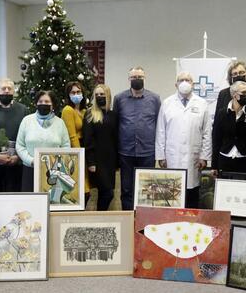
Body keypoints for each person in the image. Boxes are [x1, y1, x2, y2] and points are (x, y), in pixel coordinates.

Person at [155, 72, 212, 208]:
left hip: (194, 158)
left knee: (192, 194)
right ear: (176, 84)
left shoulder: (202, 104)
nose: (184, 82)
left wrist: (204, 157)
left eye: (188, 80)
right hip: (172, 157)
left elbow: (206, 133)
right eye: (181, 80)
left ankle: (191, 223)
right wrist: (161, 156)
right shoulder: (167, 103)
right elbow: (160, 131)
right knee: (172, 194)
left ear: (193, 84)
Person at [113, 66, 162, 210]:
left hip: (147, 152)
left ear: (144, 78)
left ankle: (143, 221)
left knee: (147, 189)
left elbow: (159, 125)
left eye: (139, 77)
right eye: (134, 77)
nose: (137, 80)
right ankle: (128, 219)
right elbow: (116, 124)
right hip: (126, 152)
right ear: (129, 79)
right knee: (126, 190)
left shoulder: (154, 99)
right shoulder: (119, 99)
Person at [16, 90, 70, 192]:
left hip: (54, 172)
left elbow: (66, 145)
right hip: (30, 169)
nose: (43, 104)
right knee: (30, 203)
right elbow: (20, 145)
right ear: (36, 103)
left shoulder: (60, 123)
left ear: (52, 105)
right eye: (40, 102)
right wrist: (31, 161)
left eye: (47, 102)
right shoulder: (27, 120)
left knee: (51, 202)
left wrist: (57, 163)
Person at [211, 80, 246, 174]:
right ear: (234, 94)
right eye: (244, 93)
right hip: (225, 159)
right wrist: (214, 165)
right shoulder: (222, 114)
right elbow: (216, 140)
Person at [83, 84, 118, 211]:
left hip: (110, 160)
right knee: (108, 193)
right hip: (97, 161)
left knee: (107, 193)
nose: (99, 97)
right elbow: (88, 139)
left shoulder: (113, 114)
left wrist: (117, 162)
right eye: (97, 95)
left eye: (102, 94)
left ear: (107, 95)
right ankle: (100, 214)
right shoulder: (90, 114)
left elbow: (115, 137)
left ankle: (101, 217)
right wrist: (91, 162)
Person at [61, 81, 91, 205]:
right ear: (68, 95)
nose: (76, 94)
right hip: (76, 151)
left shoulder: (85, 111)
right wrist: (80, 154)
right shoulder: (68, 110)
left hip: (86, 148)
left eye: (78, 92)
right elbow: (72, 136)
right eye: (73, 92)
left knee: (87, 189)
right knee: (81, 190)